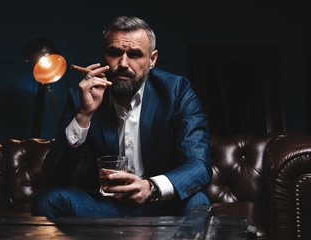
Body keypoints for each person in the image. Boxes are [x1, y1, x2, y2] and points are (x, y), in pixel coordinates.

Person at [32, 16, 212, 218]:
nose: (123, 63)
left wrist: (150, 188)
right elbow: (54, 177)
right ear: (103, 55)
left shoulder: (177, 91)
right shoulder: (80, 96)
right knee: (48, 200)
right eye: (114, 53)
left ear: (152, 60)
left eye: (135, 54)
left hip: (162, 203)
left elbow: (199, 165)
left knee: (197, 203)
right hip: (107, 207)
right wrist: (84, 115)